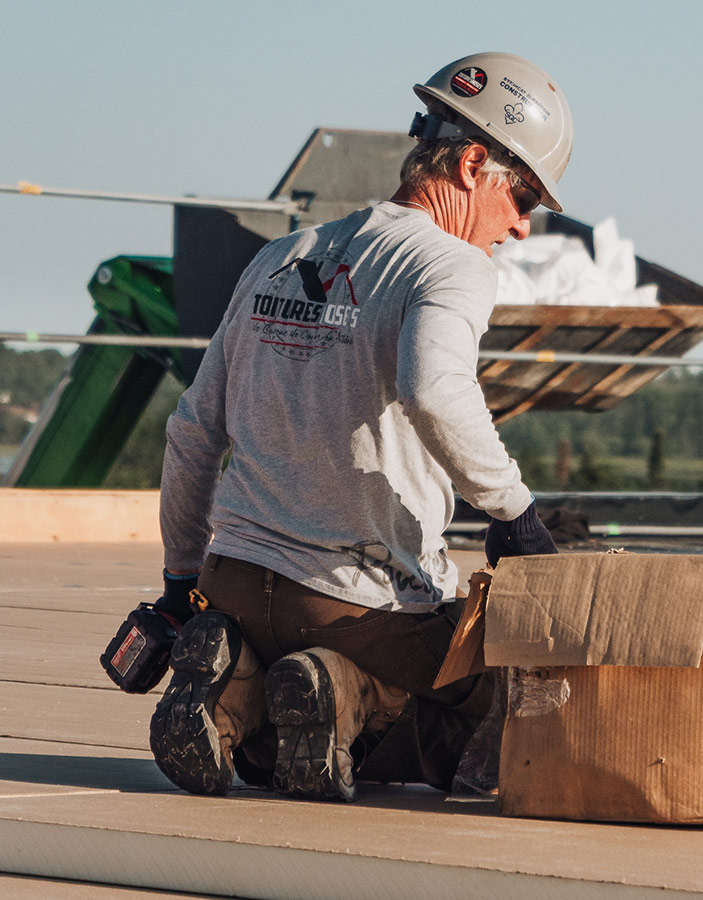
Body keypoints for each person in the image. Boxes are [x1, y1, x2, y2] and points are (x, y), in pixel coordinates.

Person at [148, 51, 571, 802]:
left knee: (274, 753)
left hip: (234, 584)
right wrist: (514, 510)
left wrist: (183, 581)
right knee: (509, 698)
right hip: (358, 604)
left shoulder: (283, 256)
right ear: (475, 164)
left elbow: (191, 432)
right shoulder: (450, 266)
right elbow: (434, 389)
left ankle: (235, 689)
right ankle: (350, 691)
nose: (519, 227)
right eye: (525, 197)